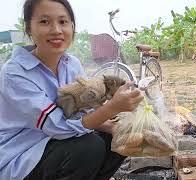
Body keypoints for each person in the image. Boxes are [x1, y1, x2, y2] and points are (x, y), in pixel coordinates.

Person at [0, 0, 144, 179]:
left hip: (58, 146)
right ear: (29, 28)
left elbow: (82, 114)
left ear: (72, 26)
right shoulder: (14, 73)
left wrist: (115, 127)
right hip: (23, 155)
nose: (56, 30)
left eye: (63, 22)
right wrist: (112, 108)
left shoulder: (71, 64)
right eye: (45, 22)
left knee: (122, 137)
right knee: (88, 147)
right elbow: (58, 127)